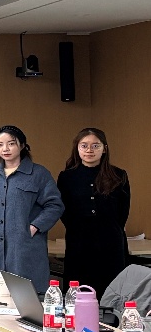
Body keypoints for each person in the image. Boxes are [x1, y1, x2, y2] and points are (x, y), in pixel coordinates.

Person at [0, 125, 64, 293]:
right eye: (0, 144)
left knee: (27, 296)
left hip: (25, 248)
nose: (5, 149)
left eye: (11, 143)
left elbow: (54, 205)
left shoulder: (38, 173)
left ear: (22, 145)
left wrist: (35, 226)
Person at [57, 128, 130, 299]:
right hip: (79, 241)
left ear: (104, 148)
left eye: (95, 145)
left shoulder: (118, 175)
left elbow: (123, 211)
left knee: (112, 292)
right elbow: (63, 210)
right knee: (78, 292)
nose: (89, 150)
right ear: (77, 148)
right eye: (84, 146)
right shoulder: (67, 177)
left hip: (110, 242)